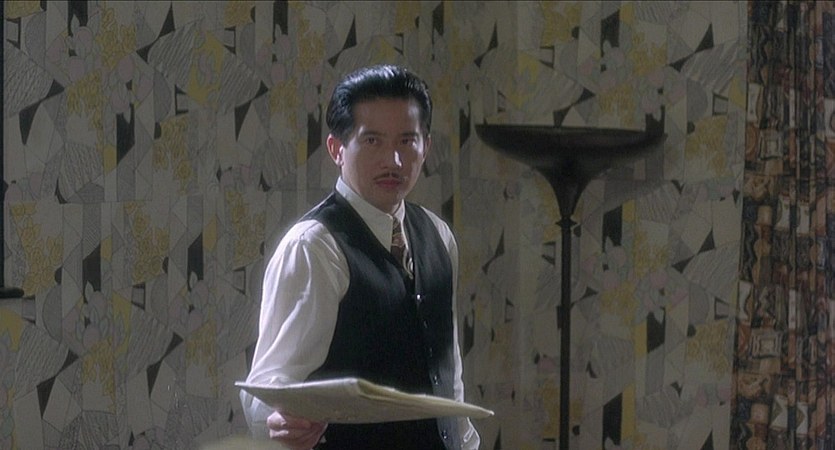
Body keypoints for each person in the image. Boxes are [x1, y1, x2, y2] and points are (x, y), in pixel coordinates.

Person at [240, 64, 481, 450]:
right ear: (337, 149)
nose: (393, 161)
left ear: (426, 147)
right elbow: (268, 390)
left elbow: (447, 375)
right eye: (372, 141)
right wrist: (279, 423)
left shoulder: (438, 235)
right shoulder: (314, 247)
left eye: (407, 141)